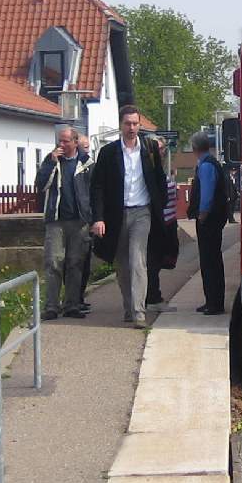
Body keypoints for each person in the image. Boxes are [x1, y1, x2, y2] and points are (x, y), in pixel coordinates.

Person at [90, 105, 167, 327]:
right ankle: (128, 306)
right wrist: (98, 217)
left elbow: (159, 179)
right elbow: (97, 187)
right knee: (122, 265)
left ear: (140, 125)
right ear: (121, 125)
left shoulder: (149, 149)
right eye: (127, 124)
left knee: (137, 260)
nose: (131, 128)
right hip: (116, 214)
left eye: (135, 124)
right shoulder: (108, 153)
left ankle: (139, 312)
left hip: (142, 212)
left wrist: (159, 206)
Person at [35, 126, 91, 320]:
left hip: (79, 221)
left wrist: (93, 217)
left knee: (75, 263)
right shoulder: (51, 160)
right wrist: (51, 163)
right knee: (53, 263)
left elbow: (94, 190)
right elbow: (40, 185)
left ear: (75, 142)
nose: (61, 144)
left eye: (66, 141)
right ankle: (51, 306)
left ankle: (72, 305)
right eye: (60, 140)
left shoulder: (86, 163)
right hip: (56, 220)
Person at [188, 131, 227, 315]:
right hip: (214, 218)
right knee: (210, 260)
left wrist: (202, 215)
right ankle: (211, 299)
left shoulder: (205, 167)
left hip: (209, 220)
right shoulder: (211, 163)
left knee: (210, 260)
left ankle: (215, 303)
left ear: (194, 148)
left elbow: (206, 195)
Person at [146, 148, 179, 308]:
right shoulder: (150, 171)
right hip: (156, 222)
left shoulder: (163, 170)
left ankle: (152, 293)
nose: (160, 152)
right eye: (156, 149)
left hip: (169, 221)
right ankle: (152, 294)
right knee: (153, 259)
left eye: (161, 149)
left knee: (161, 258)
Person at [73, 129, 94, 315]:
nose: (88, 150)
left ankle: (79, 297)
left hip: (86, 218)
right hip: (74, 219)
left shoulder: (89, 165)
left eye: (88, 147)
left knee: (85, 262)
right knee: (74, 262)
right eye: (85, 147)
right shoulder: (72, 165)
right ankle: (74, 299)